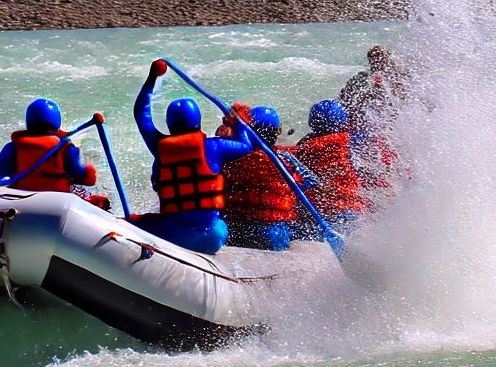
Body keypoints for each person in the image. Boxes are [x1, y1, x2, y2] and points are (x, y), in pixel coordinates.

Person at [131, 60, 254, 254]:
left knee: (138, 221)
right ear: (198, 120)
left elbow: (141, 114)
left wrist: (152, 78)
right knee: (220, 224)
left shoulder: (160, 147)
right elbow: (246, 145)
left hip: (173, 234)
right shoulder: (215, 147)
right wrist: (237, 120)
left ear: (170, 124)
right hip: (212, 236)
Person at [218, 105, 319, 251]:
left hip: (236, 230)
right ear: (276, 132)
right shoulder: (285, 159)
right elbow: (311, 184)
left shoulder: (232, 155)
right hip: (273, 234)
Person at [0, 98, 105, 207]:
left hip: (21, 201)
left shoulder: (14, 147)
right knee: (92, 193)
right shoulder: (66, 149)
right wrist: (90, 170)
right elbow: (84, 178)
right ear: (56, 122)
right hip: (57, 203)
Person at [295, 99, 366, 226]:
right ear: (342, 122)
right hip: (351, 208)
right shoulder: (350, 142)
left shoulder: (305, 147)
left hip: (320, 212)